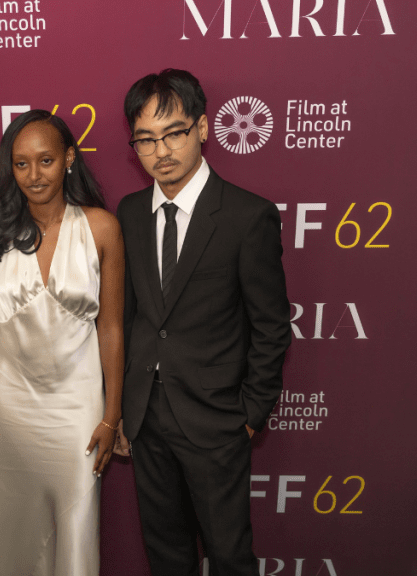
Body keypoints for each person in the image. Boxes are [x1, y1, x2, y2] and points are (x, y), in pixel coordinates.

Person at [114, 69, 291, 576]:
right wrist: (124, 406)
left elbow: (272, 325)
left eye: (174, 132)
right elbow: (128, 317)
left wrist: (250, 412)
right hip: (147, 419)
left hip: (216, 420)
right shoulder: (128, 213)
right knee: (166, 555)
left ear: (204, 127)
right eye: (146, 139)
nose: (161, 150)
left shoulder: (246, 216)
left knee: (230, 556)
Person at [0, 110, 125, 576]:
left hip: (77, 412)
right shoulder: (0, 234)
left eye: (45, 160)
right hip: (7, 410)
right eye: (21, 164)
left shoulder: (101, 228)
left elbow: (113, 328)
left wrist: (111, 413)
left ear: (69, 159)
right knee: (9, 532)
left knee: (76, 528)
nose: (34, 175)